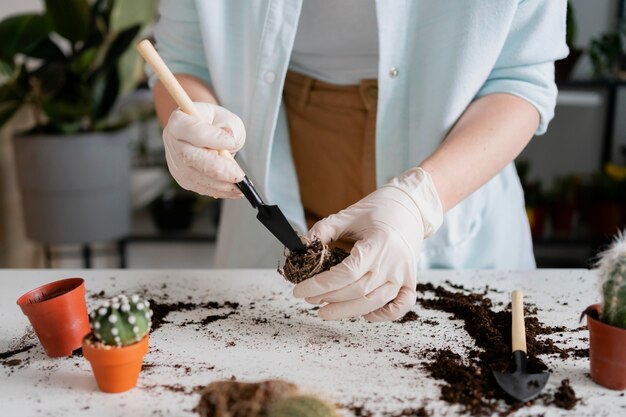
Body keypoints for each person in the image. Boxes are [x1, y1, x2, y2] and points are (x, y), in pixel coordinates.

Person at [148, 1, 568, 322]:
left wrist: (419, 201)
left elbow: (521, 79)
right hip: (281, 154)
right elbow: (181, 62)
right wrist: (192, 122)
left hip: (454, 180)